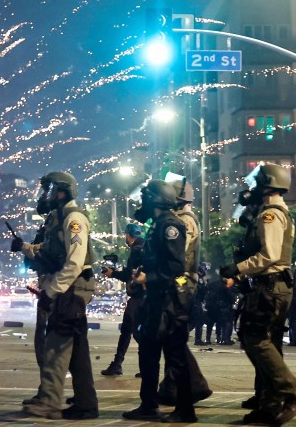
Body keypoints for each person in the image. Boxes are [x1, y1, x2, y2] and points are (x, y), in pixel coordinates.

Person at [219, 164, 296, 425]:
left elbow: (268, 255)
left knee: (255, 338)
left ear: (268, 186)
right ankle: (270, 405)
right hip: (274, 286)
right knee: (269, 343)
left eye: (258, 184)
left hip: (269, 287)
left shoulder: (270, 215)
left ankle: (293, 393)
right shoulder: (278, 211)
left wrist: (237, 268)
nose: (253, 190)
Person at [18, 172, 99, 421]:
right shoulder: (59, 217)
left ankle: (49, 402)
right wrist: (25, 248)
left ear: (61, 192)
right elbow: (52, 250)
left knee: (56, 344)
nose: (45, 196)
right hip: (68, 287)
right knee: (76, 352)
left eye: (49, 190)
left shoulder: (74, 218)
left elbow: (74, 261)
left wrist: (52, 291)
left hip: (71, 288)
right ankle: (86, 404)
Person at [122, 180, 196, 423]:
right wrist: (140, 276)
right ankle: (148, 404)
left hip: (170, 301)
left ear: (155, 199)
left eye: (145, 197)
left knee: (175, 356)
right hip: (155, 299)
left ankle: (186, 410)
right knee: (148, 353)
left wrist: (148, 278)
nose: (142, 202)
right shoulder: (157, 225)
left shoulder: (170, 225)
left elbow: (175, 267)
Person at [157, 184, 212, 406]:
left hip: (181, 281)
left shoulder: (185, 221)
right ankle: (173, 387)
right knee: (171, 337)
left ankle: (192, 385)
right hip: (179, 280)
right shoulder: (177, 219)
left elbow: (178, 254)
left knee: (173, 336)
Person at [13, 180, 61, 405]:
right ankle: (50, 390)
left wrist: (25, 248)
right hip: (48, 284)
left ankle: (49, 393)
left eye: (48, 191)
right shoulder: (52, 220)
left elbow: (47, 250)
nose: (43, 196)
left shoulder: (59, 219)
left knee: (47, 342)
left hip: (54, 287)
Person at [101, 222, 145, 376]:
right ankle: (137, 366)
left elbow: (129, 275)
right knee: (135, 331)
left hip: (138, 297)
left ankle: (119, 364)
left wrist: (112, 273)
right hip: (146, 297)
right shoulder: (146, 246)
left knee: (131, 331)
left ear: (128, 235)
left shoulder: (136, 250)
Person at [191, 264, 210, 345]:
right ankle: (198, 340)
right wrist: (203, 283)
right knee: (198, 322)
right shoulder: (198, 280)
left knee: (193, 322)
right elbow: (202, 291)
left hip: (193, 303)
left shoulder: (193, 278)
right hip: (196, 302)